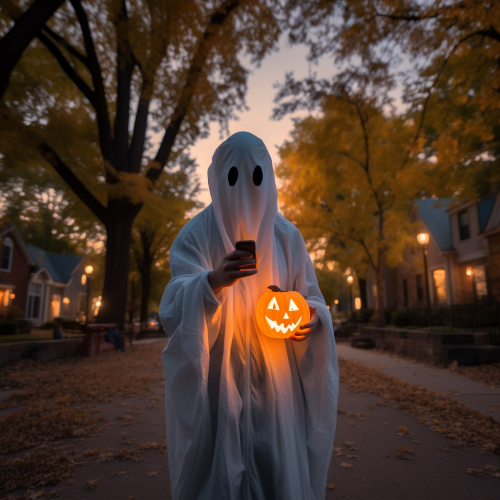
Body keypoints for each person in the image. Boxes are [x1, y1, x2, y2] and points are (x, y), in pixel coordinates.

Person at [159, 132, 339, 500]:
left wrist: (310, 320)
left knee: (274, 461)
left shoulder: (287, 237)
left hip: (277, 381)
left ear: (269, 178)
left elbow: (312, 299)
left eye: (256, 178)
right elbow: (174, 305)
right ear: (217, 179)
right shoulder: (196, 236)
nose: (245, 192)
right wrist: (211, 282)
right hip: (218, 378)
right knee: (219, 464)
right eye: (233, 179)